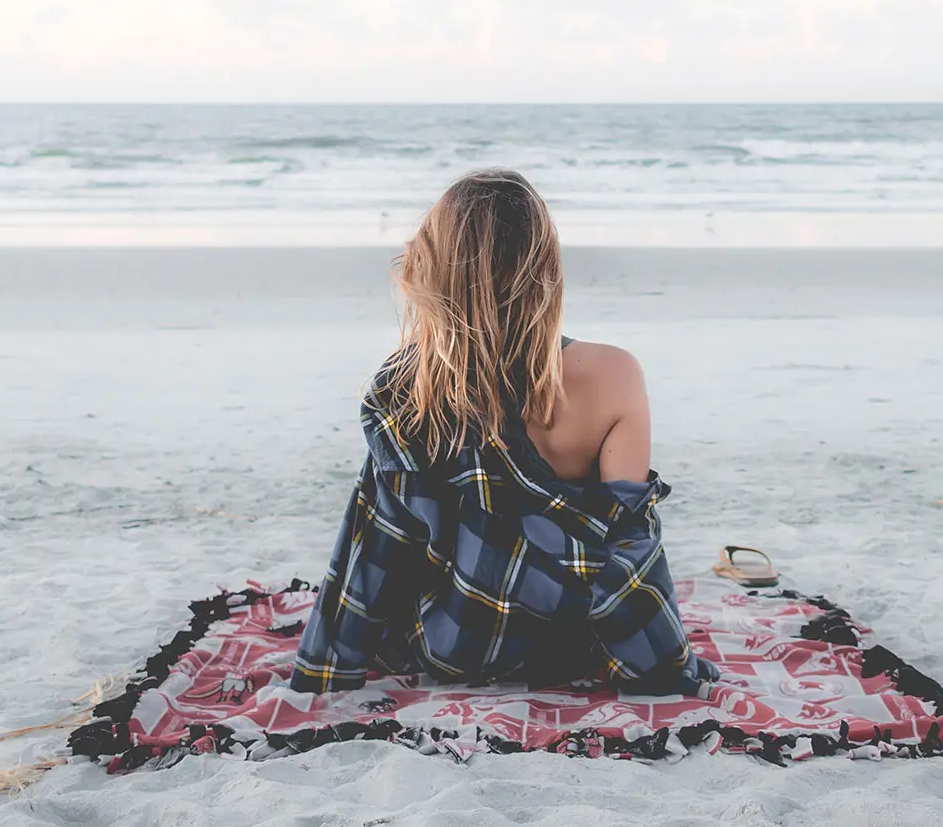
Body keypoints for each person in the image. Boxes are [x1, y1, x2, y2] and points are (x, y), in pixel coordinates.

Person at [291, 168, 717, 696]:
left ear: (442, 270)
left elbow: (380, 545)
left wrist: (324, 674)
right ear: (544, 267)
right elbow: (627, 544)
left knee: (383, 492)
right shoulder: (614, 374)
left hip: (455, 646)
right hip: (577, 648)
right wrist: (662, 661)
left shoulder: (406, 385)